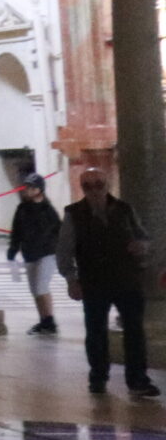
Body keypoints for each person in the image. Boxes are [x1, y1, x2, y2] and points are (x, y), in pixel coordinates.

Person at [59, 169, 157, 398]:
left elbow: (143, 236)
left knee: (134, 331)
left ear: (108, 184)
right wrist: (71, 279)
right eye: (88, 186)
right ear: (82, 189)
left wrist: (142, 246)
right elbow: (64, 250)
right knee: (96, 332)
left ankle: (138, 380)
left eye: (99, 184)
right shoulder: (74, 214)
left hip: (126, 280)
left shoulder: (124, 210)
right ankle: (98, 377)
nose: (94, 190)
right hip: (94, 281)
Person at [8, 174, 61, 336]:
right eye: (27, 188)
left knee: (41, 286)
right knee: (34, 289)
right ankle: (43, 319)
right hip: (29, 253)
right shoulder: (22, 208)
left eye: (32, 188)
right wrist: (13, 248)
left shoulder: (48, 210)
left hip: (47, 253)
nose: (28, 191)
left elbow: (58, 230)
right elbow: (16, 230)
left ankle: (49, 321)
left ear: (39, 190)